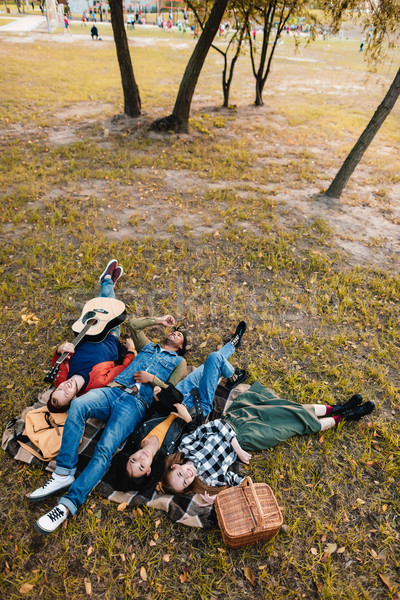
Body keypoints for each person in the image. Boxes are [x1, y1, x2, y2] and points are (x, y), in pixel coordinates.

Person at [30, 309, 188, 534]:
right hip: (112, 391)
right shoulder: (148, 347)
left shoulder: (179, 361)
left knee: (105, 448)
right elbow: (133, 324)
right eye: (173, 331)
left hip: (135, 404)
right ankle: (63, 473)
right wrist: (160, 320)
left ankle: (68, 504)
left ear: (181, 347)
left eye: (179, 336)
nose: (174, 334)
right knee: (78, 405)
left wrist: (152, 379)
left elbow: (172, 391)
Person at [159, 383, 375, 497]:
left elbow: (215, 426)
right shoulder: (208, 480)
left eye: (180, 474)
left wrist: (235, 448)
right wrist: (216, 498)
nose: (188, 476)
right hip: (250, 438)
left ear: (175, 465)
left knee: (287, 409)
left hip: (237, 419)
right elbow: (236, 480)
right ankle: (343, 416)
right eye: (186, 483)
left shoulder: (186, 446)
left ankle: (338, 408)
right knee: (291, 426)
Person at [112, 322, 248, 491]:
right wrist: (188, 418)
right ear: (148, 472)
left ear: (129, 456)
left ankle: (233, 362)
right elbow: (196, 439)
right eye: (141, 466)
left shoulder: (136, 435)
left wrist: (157, 398)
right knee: (213, 359)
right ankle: (232, 369)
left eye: (133, 460)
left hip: (178, 394)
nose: (140, 459)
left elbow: (152, 412)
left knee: (210, 365)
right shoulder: (167, 459)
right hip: (197, 408)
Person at [44, 259, 135, 413]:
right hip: (111, 337)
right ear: (74, 398)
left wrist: (60, 349)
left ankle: (107, 281)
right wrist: (131, 351)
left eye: (59, 388)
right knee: (111, 307)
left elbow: (56, 359)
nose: (65, 386)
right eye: (66, 393)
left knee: (103, 306)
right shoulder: (96, 385)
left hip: (88, 331)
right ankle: (107, 281)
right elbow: (123, 369)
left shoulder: (60, 377)